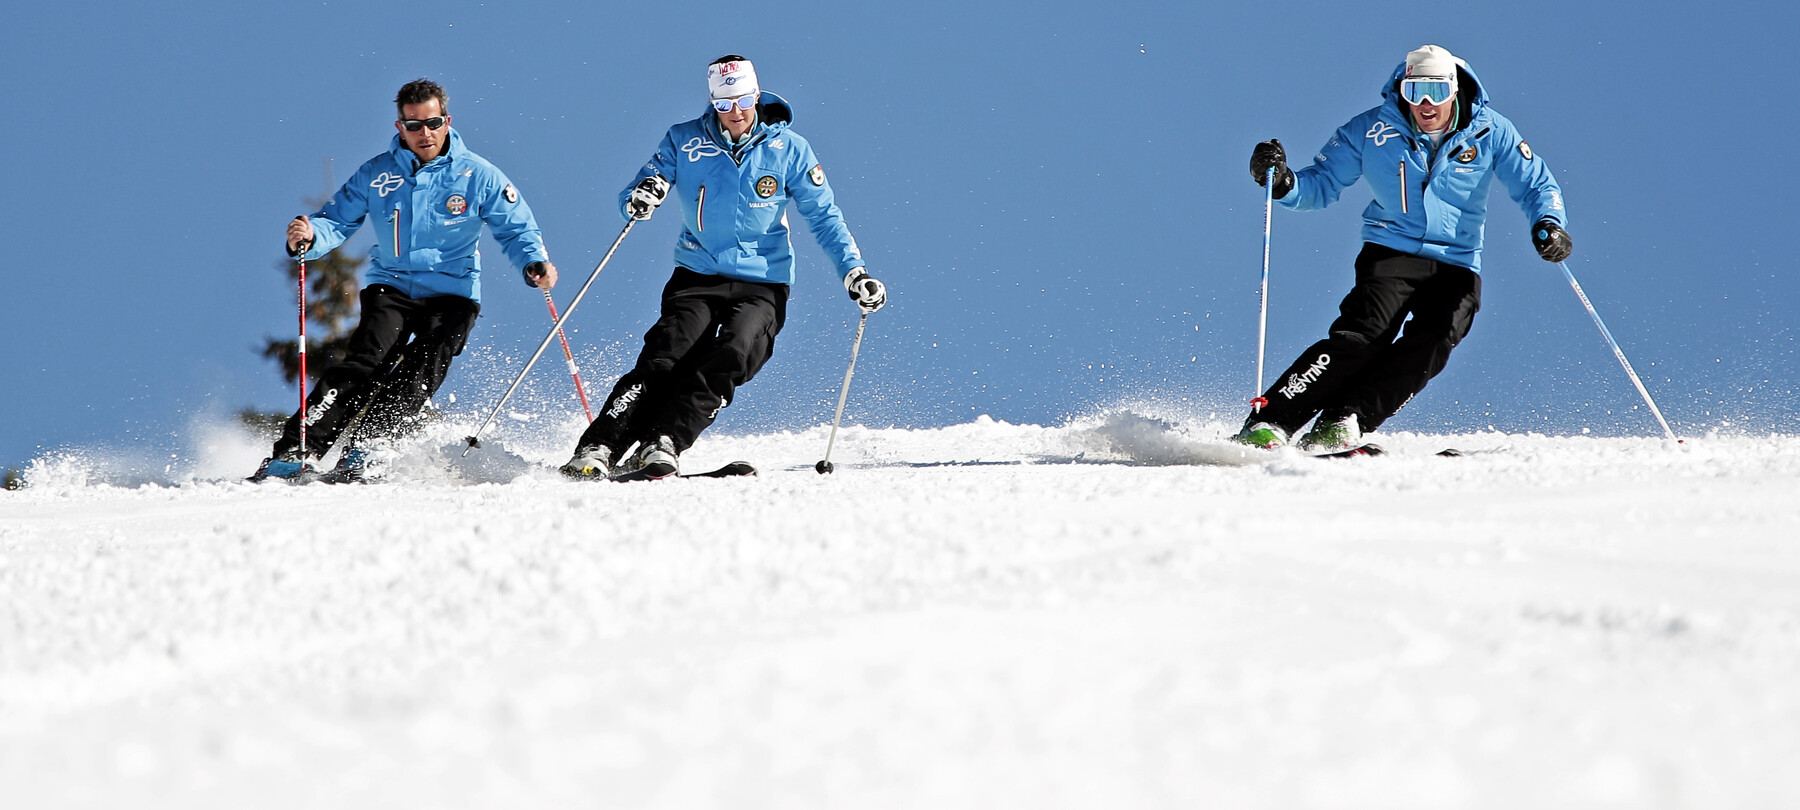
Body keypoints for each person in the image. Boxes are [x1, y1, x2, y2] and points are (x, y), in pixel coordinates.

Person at [560, 55, 885, 480]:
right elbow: (641, 185)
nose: (736, 113)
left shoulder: (789, 149)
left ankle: (664, 441)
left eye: (744, 101)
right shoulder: (684, 140)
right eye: (724, 103)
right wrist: (645, 193)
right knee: (665, 356)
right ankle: (600, 445)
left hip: (762, 282)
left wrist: (854, 272)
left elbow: (824, 217)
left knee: (734, 351)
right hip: (697, 274)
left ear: (757, 95)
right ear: (713, 102)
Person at [1235, 44, 1571, 451]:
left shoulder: (1490, 130)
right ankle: (1270, 420)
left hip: (1457, 261)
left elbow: (1536, 184)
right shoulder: (1372, 129)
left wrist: (1549, 224)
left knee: (1434, 342)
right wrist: (1283, 181)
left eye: (1434, 91)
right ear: (1401, 89)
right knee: (1364, 336)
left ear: (1454, 89)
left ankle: (1344, 420)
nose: (1425, 104)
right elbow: (1319, 183)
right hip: (1391, 250)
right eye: (1414, 92)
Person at [252, 78, 559, 481]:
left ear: (446, 121)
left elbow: (516, 228)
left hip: (453, 291)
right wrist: (310, 236)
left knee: (423, 366)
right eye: (413, 126)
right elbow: (336, 220)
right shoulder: (378, 173)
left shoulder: (477, 175)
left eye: (432, 123)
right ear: (400, 127)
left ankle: (369, 446)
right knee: (366, 363)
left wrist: (534, 261)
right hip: (392, 286)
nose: (424, 134)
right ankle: (298, 448)